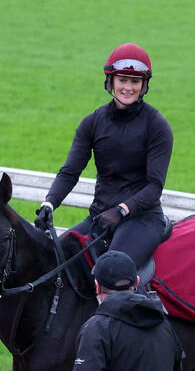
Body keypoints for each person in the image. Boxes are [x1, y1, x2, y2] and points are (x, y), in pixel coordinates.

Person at [35, 43, 173, 270]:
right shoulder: (92, 122)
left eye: (135, 81)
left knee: (112, 271)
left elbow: (154, 186)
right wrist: (49, 204)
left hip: (142, 220)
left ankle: (142, 303)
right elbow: (70, 172)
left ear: (144, 86)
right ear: (110, 82)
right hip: (100, 218)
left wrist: (121, 210)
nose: (128, 88)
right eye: (122, 80)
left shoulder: (157, 126)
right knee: (54, 261)